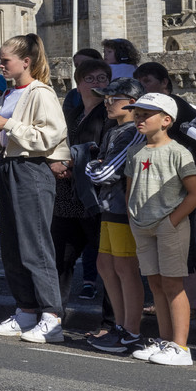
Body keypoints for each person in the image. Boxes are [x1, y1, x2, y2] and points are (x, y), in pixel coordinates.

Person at [0, 34, 69, 344]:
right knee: (12, 245)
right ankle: (26, 311)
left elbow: (51, 136)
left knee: (35, 244)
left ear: (26, 62)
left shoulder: (40, 92)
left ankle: (52, 316)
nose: (1, 65)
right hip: (10, 166)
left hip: (31, 170)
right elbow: (4, 142)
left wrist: (6, 125)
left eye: (6, 60)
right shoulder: (9, 95)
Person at [123, 93, 196, 367]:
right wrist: (132, 216)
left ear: (166, 120)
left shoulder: (179, 152)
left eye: (147, 114)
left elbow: (195, 193)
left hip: (169, 226)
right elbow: (130, 188)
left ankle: (180, 346)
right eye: (137, 113)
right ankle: (165, 340)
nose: (139, 118)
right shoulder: (135, 152)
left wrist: (171, 221)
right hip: (142, 225)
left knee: (173, 284)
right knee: (155, 283)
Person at [132, 61, 196, 310]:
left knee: (185, 247)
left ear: (164, 82)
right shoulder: (156, 110)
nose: (143, 87)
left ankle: (192, 303)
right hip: (165, 186)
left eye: (148, 81)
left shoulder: (175, 108)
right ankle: (171, 302)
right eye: (140, 82)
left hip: (181, 185)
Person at [84, 78, 148, 355]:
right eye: (106, 98)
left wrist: (92, 168)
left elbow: (106, 172)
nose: (107, 103)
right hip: (109, 206)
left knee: (125, 269)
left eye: (113, 99)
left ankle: (130, 331)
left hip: (124, 208)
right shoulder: (115, 130)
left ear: (132, 104)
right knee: (105, 266)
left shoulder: (133, 131)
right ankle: (120, 326)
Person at [53, 59, 109, 306]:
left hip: (93, 197)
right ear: (78, 86)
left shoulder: (109, 115)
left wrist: (68, 165)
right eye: (90, 79)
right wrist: (57, 163)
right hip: (67, 197)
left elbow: (103, 152)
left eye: (102, 78)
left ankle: (111, 321)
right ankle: (53, 313)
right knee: (61, 258)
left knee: (108, 261)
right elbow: (59, 145)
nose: (97, 83)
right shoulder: (72, 114)